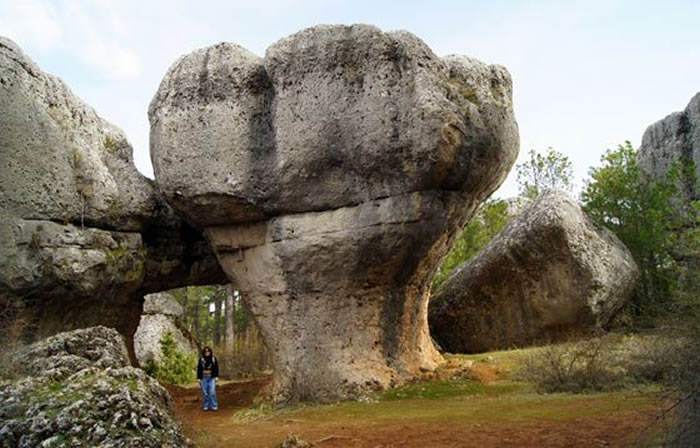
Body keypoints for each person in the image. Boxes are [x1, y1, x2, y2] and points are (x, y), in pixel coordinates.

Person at [196, 346, 219, 411]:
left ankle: (214, 405)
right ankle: (206, 405)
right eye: (205, 351)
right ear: (204, 352)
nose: (207, 353)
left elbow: (216, 368)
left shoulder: (213, 359)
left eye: (208, 351)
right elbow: (199, 369)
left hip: (212, 377)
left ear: (210, 352)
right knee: (205, 392)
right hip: (203, 378)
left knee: (212, 391)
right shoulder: (201, 360)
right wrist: (198, 378)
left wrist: (216, 376)